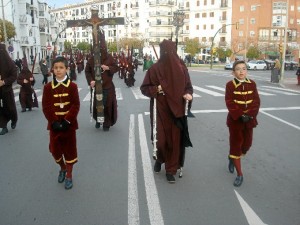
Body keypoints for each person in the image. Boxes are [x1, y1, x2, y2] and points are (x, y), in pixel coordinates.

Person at [140, 39, 193, 183]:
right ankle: (160, 158)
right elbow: (144, 88)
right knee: (161, 141)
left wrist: (189, 94)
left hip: (177, 110)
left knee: (174, 141)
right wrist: (156, 89)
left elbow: (188, 86)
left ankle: (171, 169)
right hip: (160, 109)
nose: (169, 55)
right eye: (166, 52)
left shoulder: (182, 68)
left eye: (171, 52)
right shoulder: (155, 69)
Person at [42, 57, 80, 190]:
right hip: (54, 126)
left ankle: (69, 175)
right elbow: (46, 106)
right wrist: (53, 121)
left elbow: (75, 105)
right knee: (55, 150)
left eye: (61, 67)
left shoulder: (73, 86)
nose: (58, 70)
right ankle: (62, 168)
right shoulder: (47, 87)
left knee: (69, 151)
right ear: (52, 69)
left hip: (69, 126)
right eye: (56, 68)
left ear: (66, 69)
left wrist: (67, 120)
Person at [225, 60, 260, 187]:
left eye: (244, 68)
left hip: (249, 120)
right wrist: (240, 115)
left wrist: (250, 115)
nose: (241, 71)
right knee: (236, 146)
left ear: (247, 70)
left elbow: (256, 101)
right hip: (235, 122)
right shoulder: (230, 85)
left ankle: (231, 157)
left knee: (247, 145)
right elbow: (229, 102)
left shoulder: (252, 84)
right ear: (233, 72)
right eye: (238, 69)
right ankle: (240, 174)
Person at [85, 31, 119, 131]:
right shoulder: (92, 59)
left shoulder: (109, 58)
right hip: (97, 86)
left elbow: (116, 67)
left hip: (108, 86)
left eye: (102, 49)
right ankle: (98, 120)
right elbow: (87, 71)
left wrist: (108, 67)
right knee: (97, 105)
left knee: (107, 105)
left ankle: (106, 123)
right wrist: (91, 81)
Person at [0, 44, 18, 135]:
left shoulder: (9, 62)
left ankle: (14, 119)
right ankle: (3, 126)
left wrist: (4, 82)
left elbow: (14, 75)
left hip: (6, 89)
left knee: (10, 108)